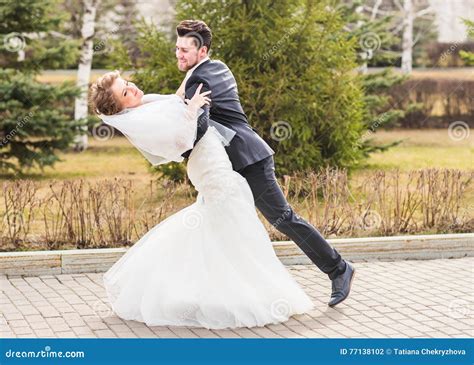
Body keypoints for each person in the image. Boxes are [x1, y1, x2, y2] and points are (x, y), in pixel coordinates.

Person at [89, 70, 315, 329]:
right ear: (119, 107)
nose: (133, 89)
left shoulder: (145, 103)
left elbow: (173, 100)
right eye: (125, 93)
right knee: (233, 223)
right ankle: (245, 296)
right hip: (209, 165)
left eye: (128, 84)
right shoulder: (141, 119)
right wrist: (194, 109)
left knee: (220, 225)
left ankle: (213, 292)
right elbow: (180, 141)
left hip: (211, 158)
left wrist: (193, 73)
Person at [174, 20, 355, 307]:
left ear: (202, 50)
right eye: (177, 48)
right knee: (211, 225)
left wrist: (178, 148)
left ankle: (338, 268)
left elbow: (200, 124)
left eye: (185, 50)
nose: (179, 55)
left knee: (283, 219)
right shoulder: (216, 67)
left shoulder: (200, 79)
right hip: (227, 165)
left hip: (247, 160)